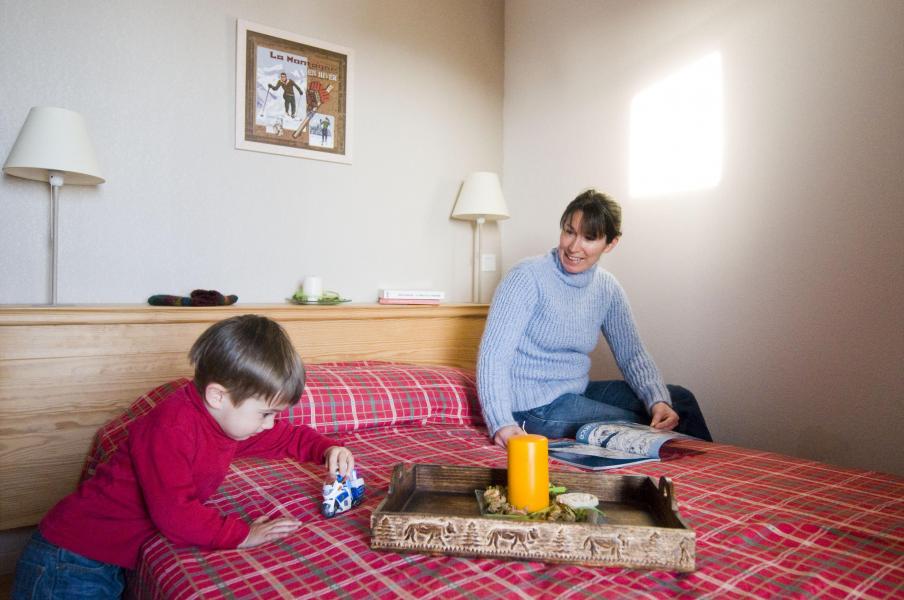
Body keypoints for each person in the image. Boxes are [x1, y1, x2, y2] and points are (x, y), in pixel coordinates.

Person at [12, 315, 354, 599]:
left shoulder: (226, 423)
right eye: (265, 413)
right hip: (71, 557)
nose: (270, 425)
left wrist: (326, 449)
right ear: (218, 396)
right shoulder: (172, 427)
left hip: (104, 559)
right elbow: (175, 515)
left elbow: (286, 437)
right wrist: (243, 535)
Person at [477, 189, 712, 449]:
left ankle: (712, 477)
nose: (574, 246)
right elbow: (493, 355)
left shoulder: (607, 288)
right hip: (532, 405)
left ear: (610, 243)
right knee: (637, 423)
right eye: (569, 231)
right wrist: (501, 422)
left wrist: (657, 400)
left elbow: (632, 354)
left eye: (589, 238)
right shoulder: (526, 277)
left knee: (679, 402)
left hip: (576, 392)